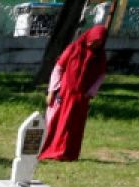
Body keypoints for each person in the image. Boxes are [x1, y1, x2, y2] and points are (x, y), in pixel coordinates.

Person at [39, 25, 109, 162]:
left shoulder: (100, 57)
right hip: (64, 94)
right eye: (94, 40)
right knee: (55, 122)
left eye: (99, 42)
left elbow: (100, 75)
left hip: (81, 97)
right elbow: (59, 68)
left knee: (73, 127)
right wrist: (51, 91)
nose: (94, 44)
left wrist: (89, 93)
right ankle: (50, 150)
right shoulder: (73, 49)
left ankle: (67, 153)